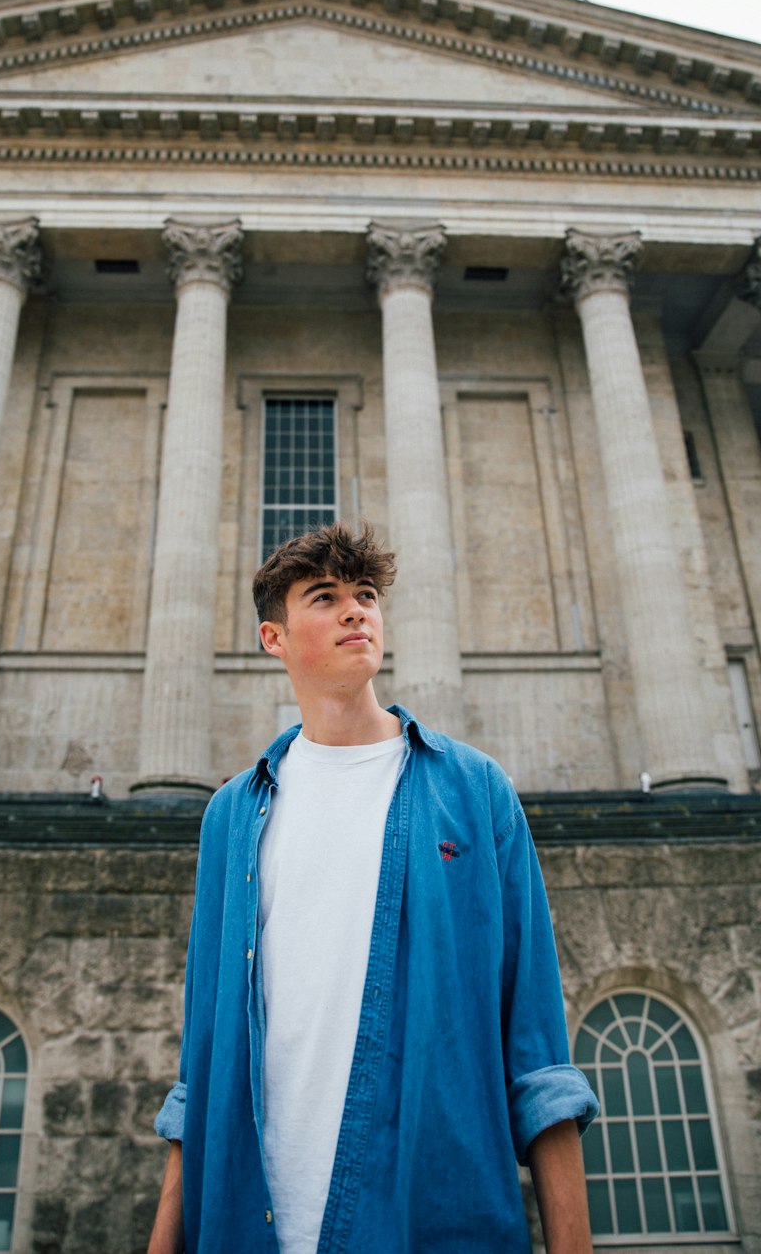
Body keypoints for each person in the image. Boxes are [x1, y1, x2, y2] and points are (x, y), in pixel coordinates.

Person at [147, 520, 598, 1254]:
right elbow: (201, 1065)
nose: (357, 610)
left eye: (366, 595)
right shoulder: (230, 816)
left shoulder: (475, 791)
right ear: (275, 639)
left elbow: (539, 1060)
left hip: (435, 1226)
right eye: (324, 597)